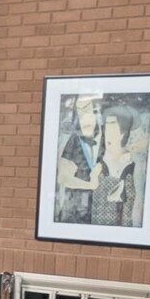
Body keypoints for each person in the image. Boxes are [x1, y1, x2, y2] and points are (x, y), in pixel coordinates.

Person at [91, 103, 148, 226]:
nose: (108, 135)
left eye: (113, 129)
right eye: (106, 128)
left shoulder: (134, 164)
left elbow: (138, 201)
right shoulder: (97, 161)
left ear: (123, 133)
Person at [54, 95, 100, 223]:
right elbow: (63, 178)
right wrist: (90, 185)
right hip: (76, 212)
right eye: (80, 113)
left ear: (96, 113)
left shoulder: (106, 138)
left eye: (87, 112)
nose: (84, 119)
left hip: (103, 212)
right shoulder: (74, 140)